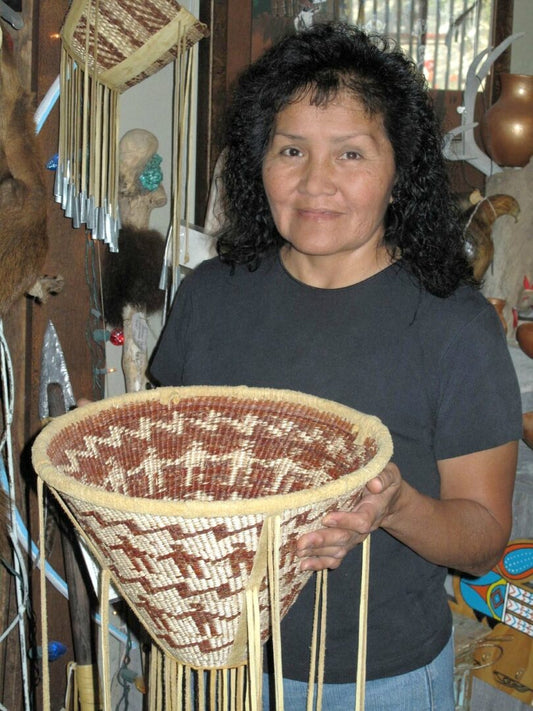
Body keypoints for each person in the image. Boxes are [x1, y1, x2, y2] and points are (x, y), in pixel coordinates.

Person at [150, 22, 522, 711]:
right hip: (208, 662)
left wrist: (396, 504)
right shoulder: (208, 297)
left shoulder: (450, 326)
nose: (315, 181)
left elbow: (480, 542)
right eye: (290, 149)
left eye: (349, 153)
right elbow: (172, 466)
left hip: (377, 679)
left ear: (397, 170)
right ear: (258, 160)